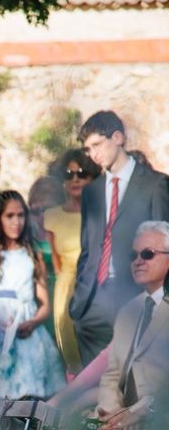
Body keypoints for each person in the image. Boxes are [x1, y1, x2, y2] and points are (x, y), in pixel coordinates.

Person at [71, 110, 169, 367]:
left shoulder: (155, 185)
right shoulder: (91, 192)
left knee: (134, 388)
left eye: (97, 145)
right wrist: (79, 301)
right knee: (92, 391)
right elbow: (88, 249)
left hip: (137, 297)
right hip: (92, 303)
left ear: (118, 137)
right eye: (88, 149)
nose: (93, 154)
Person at [0, 190, 65, 399]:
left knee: (27, 398)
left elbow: (44, 304)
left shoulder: (32, 254)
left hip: (26, 333)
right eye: (9, 216)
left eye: (20, 215)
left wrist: (33, 322)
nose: (16, 222)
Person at [95, 221, 169, 429]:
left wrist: (132, 415)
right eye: (133, 255)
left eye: (147, 254)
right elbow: (112, 374)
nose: (138, 261)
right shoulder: (128, 310)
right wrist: (111, 412)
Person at [44, 149, 101, 375]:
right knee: (73, 356)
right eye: (69, 174)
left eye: (82, 173)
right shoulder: (51, 216)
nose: (75, 178)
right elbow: (55, 264)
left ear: (93, 178)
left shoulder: (104, 214)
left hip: (98, 287)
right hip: (66, 287)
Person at [27, 176, 66, 339]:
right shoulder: (27, 237)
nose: (41, 216)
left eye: (47, 209)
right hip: (38, 304)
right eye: (36, 211)